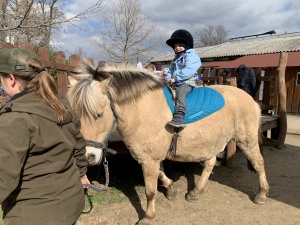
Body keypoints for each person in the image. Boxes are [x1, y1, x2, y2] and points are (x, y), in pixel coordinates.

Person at [0, 48, 90, 225]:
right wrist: (81, 174)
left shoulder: (14, 119)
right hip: (71, 201)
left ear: (11, 79)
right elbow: (78, 144)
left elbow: (3, 177)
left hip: (33, 215)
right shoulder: (59, 101)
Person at [165, 29, 201, 128]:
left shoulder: (191, 56)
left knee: (181, 92)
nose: (177, 48)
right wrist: (168, 78)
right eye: (175, 46)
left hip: (186, 82)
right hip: (175, 82)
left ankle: (180, 115)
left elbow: (189, 70)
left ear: (186, 45)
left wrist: (176, 78)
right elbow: (170, 71)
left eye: (180, 45)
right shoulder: (175, 59)